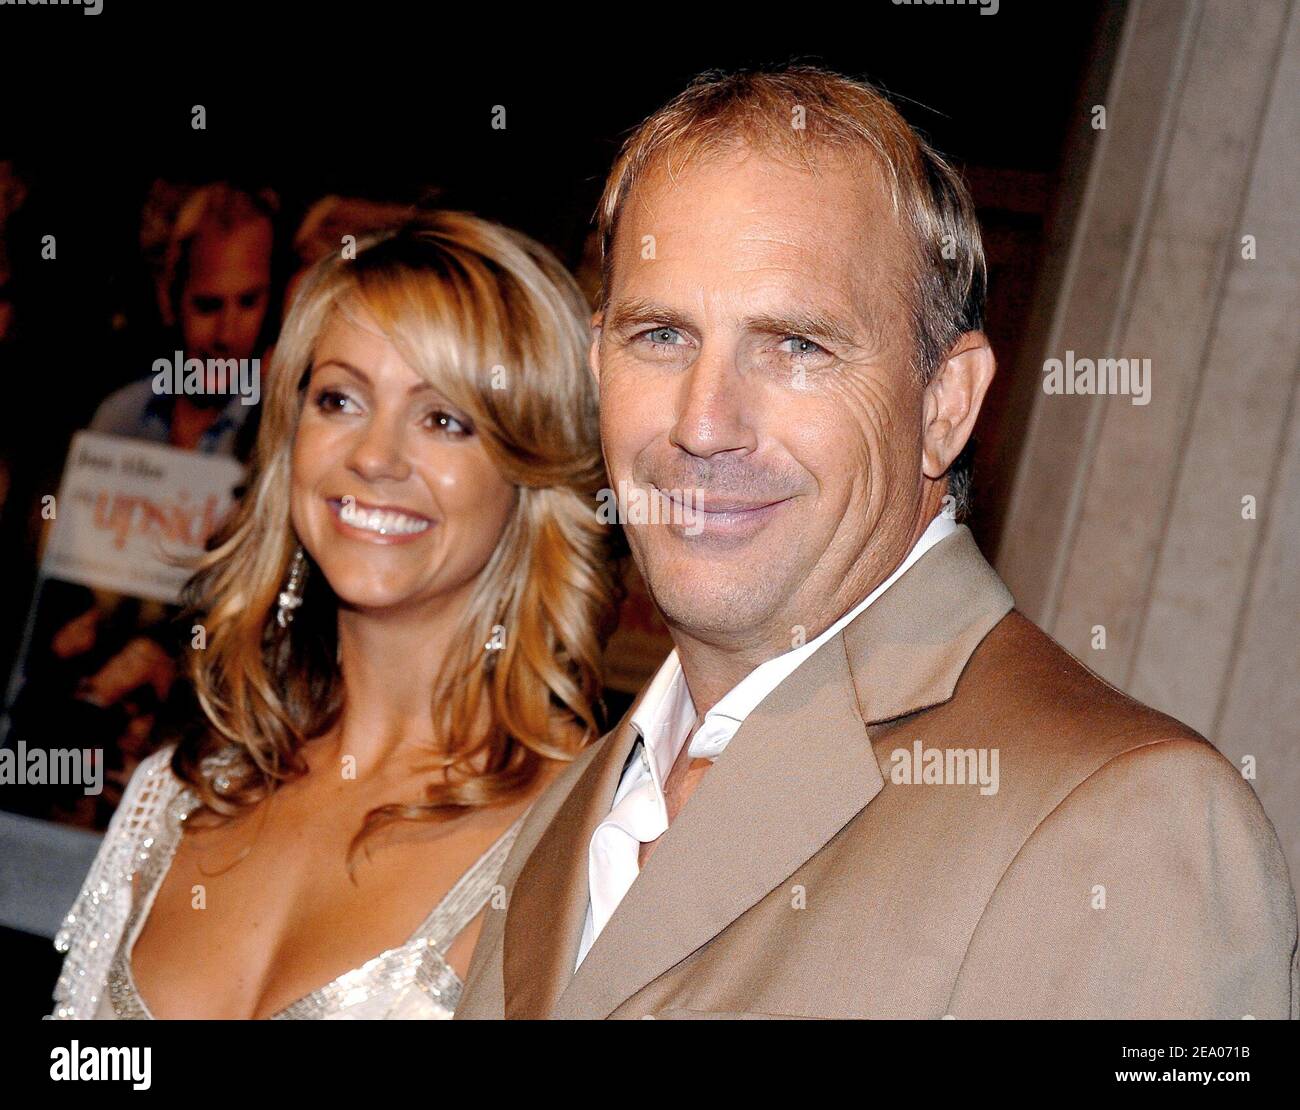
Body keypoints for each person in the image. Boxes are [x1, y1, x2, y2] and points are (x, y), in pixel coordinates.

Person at [454, 66, 1298, 1020]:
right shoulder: (563, 816)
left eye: (797, 346)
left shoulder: (1126, 822)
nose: (703, 422)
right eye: (660, 336)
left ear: (945, 405)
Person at [50, 211, 620, 1019]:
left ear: (529, 474)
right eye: (340, 399)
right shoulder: (169, 801)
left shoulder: (580, 853)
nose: (375, 456)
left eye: (444, 419)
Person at [90, 181, 279, 457]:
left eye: (249, 302)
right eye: (207, 306)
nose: (226, 336)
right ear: (169, 299)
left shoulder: (281, 430)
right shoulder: (120, 419)